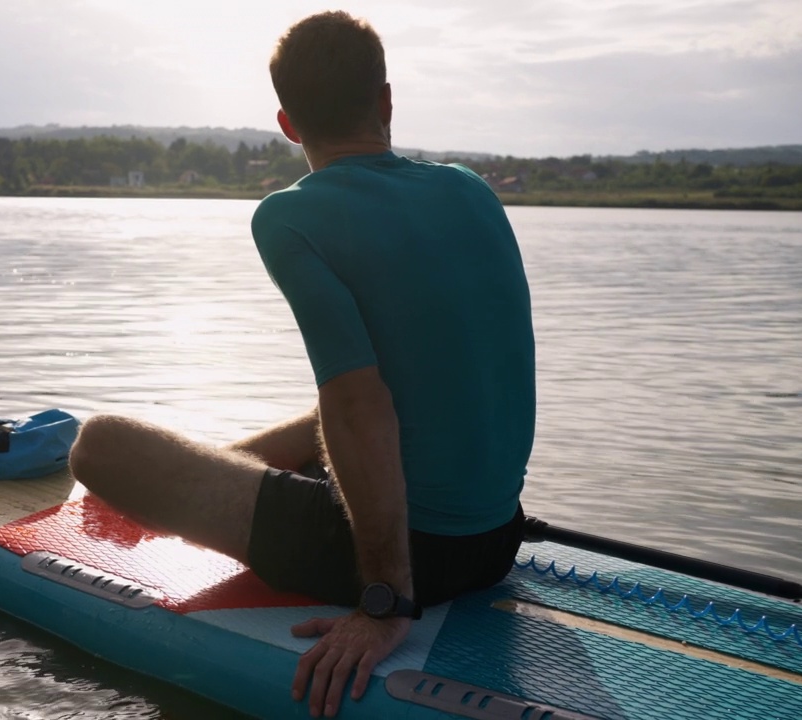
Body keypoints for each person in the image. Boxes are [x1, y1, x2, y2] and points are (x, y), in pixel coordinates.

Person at [68, 10, 535, 718]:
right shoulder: (471, 189)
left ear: (287, 124)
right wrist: (213, 471)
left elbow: (358, 405)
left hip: (414, 562)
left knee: (98, 444)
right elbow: (406, 393)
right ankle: (215, 474)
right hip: (496, 538)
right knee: (322, 424)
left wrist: (383, 602)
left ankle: (348, 564)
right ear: (385, 101)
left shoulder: (290, 216)